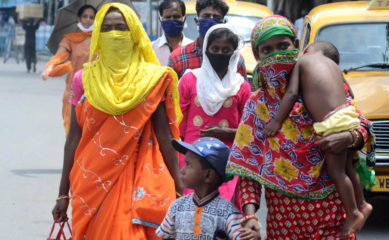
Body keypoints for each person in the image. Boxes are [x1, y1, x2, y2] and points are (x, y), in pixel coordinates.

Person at [226, 15, 375, 239]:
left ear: (297, 46)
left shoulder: (320, 83)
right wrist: (250, 217)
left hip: (331, 216)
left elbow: (361, 126)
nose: (277, 54)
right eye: (267, 50)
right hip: (282, 221)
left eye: (283, 46)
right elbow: (249, 167)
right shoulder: (257, 106)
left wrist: (347, 138)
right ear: (257, 55)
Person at [51, 3, 184, 239]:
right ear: (98, 36)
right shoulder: (85, 79)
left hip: (139, 180)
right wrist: (63, 194)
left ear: (134, 34)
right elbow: (73, 138)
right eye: (107, 28)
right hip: (92, 183)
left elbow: (165, 136)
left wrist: (180, 187)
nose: (114, 34)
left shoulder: (152, 79)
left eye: (121, 28)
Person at [264, 41, 373, 237]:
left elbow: (291, 93)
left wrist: (276, 121)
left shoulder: (303, 61)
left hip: (332, 123)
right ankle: (362, 204)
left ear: (305, 50)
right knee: (348, 167)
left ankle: (353, 212)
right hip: (348, 116)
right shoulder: (336, 70)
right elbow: (350, 93)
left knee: (336, 172)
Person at [178, 24, 251, 201]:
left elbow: (250, 131)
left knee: (224, 212)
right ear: (206, 50)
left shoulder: (242, 87)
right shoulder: (189, 80)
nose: (219, 53)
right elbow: (178, 123)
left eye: (226, 49)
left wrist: (227, 133)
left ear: (234, 53)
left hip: (227, 162)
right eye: (215, 48)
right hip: (191, 158)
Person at [156, 137, 257, 240]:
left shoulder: (228, 212)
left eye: (188, 165)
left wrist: (254, 237)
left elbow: (242, 237)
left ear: (208, 175)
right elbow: (165, 236)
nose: (182, 171)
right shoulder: (177, 206)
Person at [41, 5, 96, 135]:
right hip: (74, 89)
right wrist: (49, 68)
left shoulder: (100, 40)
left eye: (92, 17)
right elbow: (60, 56)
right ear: (79, 18)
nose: (88, 20)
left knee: (90, 133)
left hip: (95, 91)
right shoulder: (70, 39)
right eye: (85, 16)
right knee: (72, 132)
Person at [168, 0, 246, 79]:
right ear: (196, 21)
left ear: (223, 22)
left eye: (216, 17)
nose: (211, 20)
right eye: (206, 16)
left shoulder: (236, 59)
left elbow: (243, 89)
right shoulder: (177, 57)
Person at [152, 0, 192, 66]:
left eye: (176, 17)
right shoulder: (152, 49)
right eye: (167, 17)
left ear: (184, 19)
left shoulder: (194, 48)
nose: (172, 20)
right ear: (160, 20)